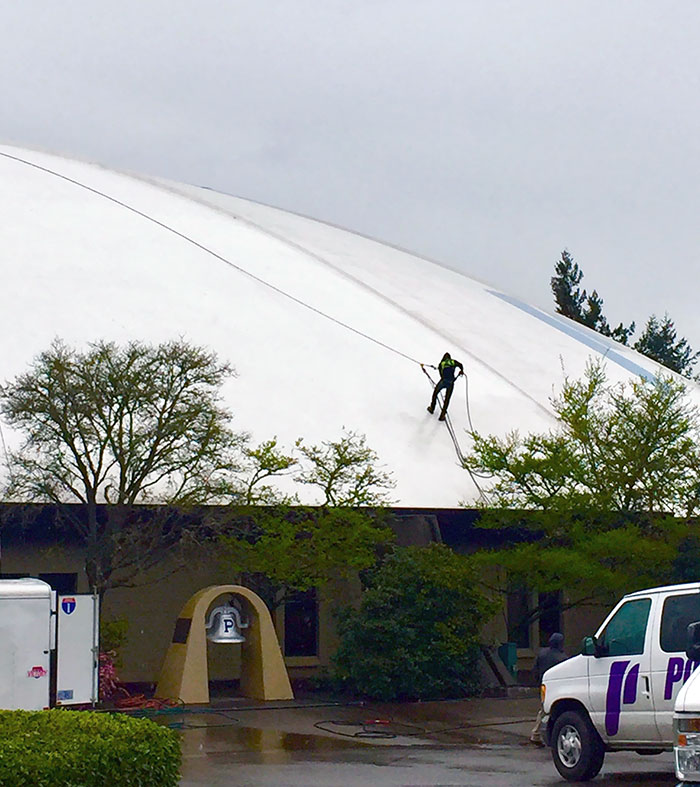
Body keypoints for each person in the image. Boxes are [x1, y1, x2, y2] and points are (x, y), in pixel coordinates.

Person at [530, 632, 567, 745]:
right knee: (551, 712)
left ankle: (536, 734)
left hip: (544, 686)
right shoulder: (563, 658)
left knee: (544, 710)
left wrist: (538, 682)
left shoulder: (542, 654)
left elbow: (535, 670)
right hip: (558, 688)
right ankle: (538, 734)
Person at [425, 352, 464, 421]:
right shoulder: (453, 362)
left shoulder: (441, 364)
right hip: (451, 383)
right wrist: (461, 371)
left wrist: (444, 378)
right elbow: (460, 365)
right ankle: (442, 415)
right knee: (447, 399)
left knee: (435, 393)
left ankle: (432, 408)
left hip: (443, 381)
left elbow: (441, 374)